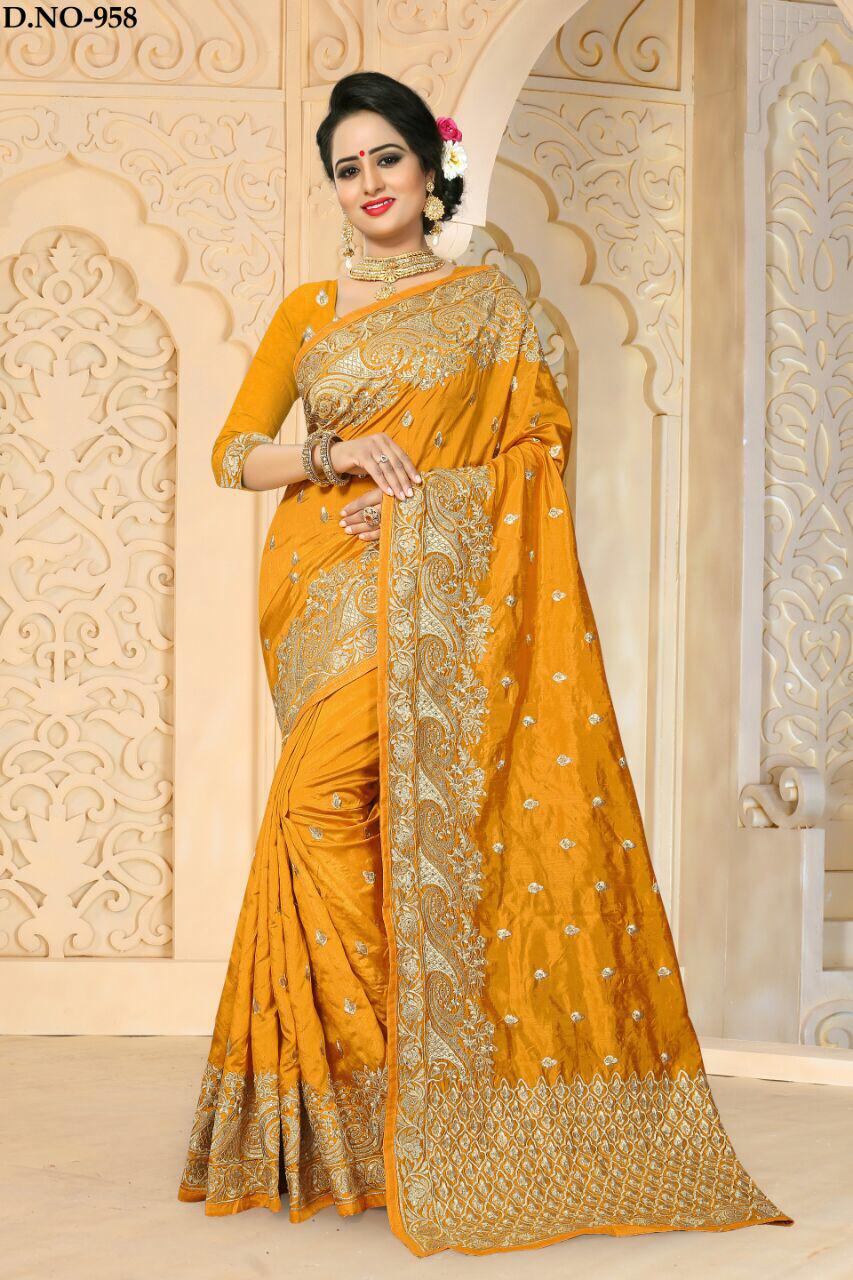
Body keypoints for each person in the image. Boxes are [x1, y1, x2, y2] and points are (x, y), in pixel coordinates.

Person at [176, 70, 791, 1258]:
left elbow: (536, 453)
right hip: (318, 592)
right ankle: (364, 1109)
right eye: (346, 168)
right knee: (322, 817)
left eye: (385, 159)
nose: (367, 184)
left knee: (400, 822)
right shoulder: (310, 309)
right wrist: (336, 455)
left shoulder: (491, 305)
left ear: (428, 168)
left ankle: (412, 1103)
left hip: (434, 587)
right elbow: (233, 452)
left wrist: (426, 508)